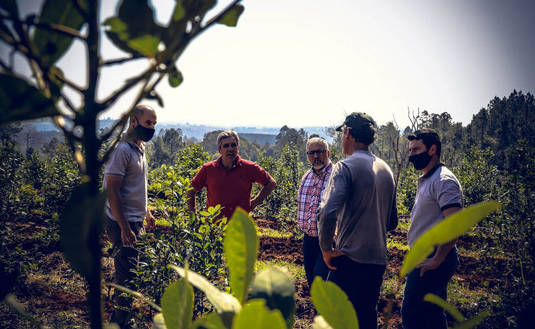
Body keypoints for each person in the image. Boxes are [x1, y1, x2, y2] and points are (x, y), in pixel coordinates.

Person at [318, 112, 398, 329]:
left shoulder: (345, 167)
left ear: (348, 133)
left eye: (342, 133)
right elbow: (392, 222)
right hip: (378, 259)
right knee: (365, 317)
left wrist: (326, 249)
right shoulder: (386, 169)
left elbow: (327, 212)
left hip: (349, 258)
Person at [401, 128, 463, 329]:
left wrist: (437, 259)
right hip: (424, 255)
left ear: (432, 149)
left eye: (416, 150)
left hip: (434, 256)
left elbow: (454, 224)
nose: (412, 155)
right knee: (430, 315)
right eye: (410, 150)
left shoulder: (443, 181)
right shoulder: (428, 178)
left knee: (413, 313)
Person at [103, 104, 157, 328]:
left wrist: (147, 212)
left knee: (132, 271)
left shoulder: (139, 148)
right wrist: (124, 228)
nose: (152, 128)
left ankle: (121, 318)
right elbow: (113, 190)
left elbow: (136, 186)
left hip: (134, 220)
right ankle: (119, 323)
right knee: (126, 275)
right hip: (121, 221)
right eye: (148, 123)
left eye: (154, 124)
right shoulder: (121, 150)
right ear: (133, 122)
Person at [187, 130, 276, 220]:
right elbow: (191, 189)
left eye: (233, 145)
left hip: (240, 226)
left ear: (238, 147)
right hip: (213, 228)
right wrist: (193, 217)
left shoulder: (249, 168)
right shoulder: (208, 169)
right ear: (219, 150)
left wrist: (254, 203)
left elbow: (271, 183)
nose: (230, 149)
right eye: (226, 146)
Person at [297, 137, 332, 289]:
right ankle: (319, 311)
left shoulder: (336, 175)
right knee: (312, 281)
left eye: (319, 152)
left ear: (328, 153)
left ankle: (325, 312)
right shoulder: (306, 176)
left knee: (321, 281)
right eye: (311, 153)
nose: (316, 156)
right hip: (309, 240)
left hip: (329, 241)